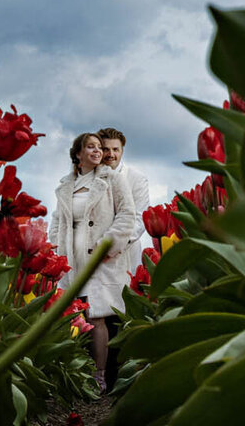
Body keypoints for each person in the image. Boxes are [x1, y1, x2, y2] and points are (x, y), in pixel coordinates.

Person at [49, 132, 138, 393]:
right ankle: (75, 375)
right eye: (91, 147)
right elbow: (57, 220)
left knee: (97, 317)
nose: (98, 151)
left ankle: (99, 378)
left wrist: (108, 244)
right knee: (73, 315)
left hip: (99, 259)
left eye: (99, 147)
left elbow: (127, 213)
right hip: (71, 259)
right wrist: (55, 246)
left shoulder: (113, 179)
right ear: (78, 154)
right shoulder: (66, 184)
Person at [96, 126, 148, 390]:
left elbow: (139, 219)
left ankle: (117, 376)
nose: (111, 154)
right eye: (106, 149)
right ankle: (100, 375)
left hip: (124, 255)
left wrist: (114, 246)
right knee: (99, 313)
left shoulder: (136, 179)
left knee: (121, 313)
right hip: (94, 256)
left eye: (115, 149)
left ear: (122, 150)